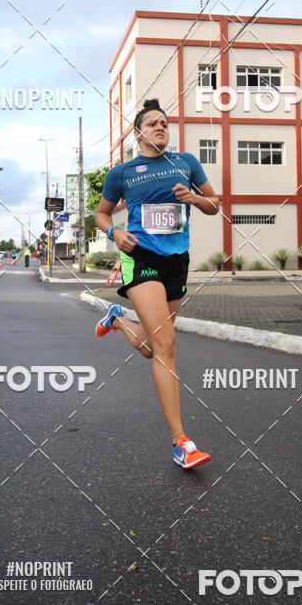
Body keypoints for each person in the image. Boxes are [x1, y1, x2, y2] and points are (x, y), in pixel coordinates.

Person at [95, 98, 220, 468]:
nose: (160, 127)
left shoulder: (186, 163)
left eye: (164, 122)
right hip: (141, 257)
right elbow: (101, 214)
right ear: (138, 134)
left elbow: (215, 204)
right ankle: (181, 442)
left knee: (152, 347)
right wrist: (115, 233)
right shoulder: (122, 173)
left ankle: (118, 319)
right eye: (152, 123)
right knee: (166, 344)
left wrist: (194, 197)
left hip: (176, 261)